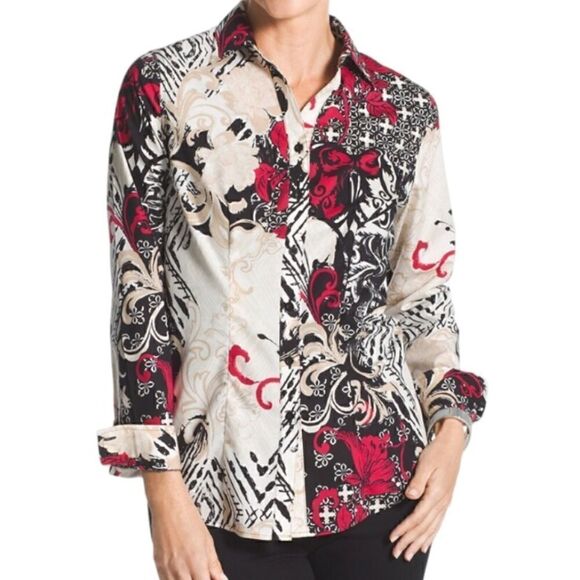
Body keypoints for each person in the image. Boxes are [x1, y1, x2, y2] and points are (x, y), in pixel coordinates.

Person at [96, 1, 488, 578]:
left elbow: (421, 295)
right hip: (218, 496)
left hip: (381, 489)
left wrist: (451, 431)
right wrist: (162, 491)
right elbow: (139, 292)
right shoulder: (164, 87)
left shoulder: (403, 109)